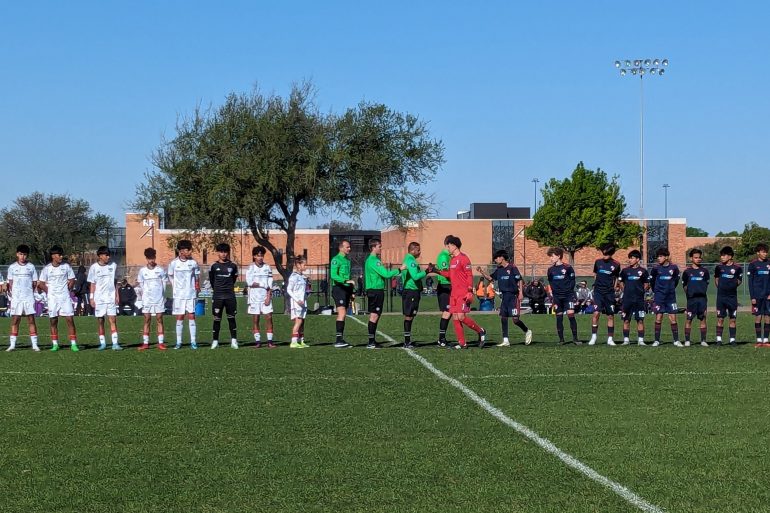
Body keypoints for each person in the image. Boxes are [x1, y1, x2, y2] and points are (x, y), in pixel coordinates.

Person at [431, 235, 486, 349]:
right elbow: (449, 275)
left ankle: (480, 331)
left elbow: (469, 275)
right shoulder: (452, 260)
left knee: (461, 316)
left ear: (454, 245)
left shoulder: (464, 258)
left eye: (449, 246)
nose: (448, 248)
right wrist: (436, 271)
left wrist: (469, 290)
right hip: (454, 293)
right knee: (455, 317)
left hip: (463, 292)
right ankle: (462, 343)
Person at [476, 249, 533, 346]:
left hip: (513, 296)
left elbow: (519, 279)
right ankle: (505, 340)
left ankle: (527, 331)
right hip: (505, 297)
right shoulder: (499, 270)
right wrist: (481, 271)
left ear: (502, 258)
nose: (495, 260)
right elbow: (490, 278)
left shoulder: (512, 267)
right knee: (503, 318)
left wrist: (520, 293)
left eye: (496, 258)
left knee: (515, 320)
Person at [38, 245, 79, 352]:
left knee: (69, 319)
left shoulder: (66, 266)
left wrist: (68, 288)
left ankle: (73, 344)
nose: (61, 256)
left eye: (61, 254)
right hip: (53, 298)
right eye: (59, 255)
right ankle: (55, 344)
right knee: (53, 320)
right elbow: (41, 283)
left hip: (64, 297)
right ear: (53, 256)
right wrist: (49, 292)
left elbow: (72, 279)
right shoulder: (47, 269)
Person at [363, 238, 400, 349]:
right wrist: (399, 270)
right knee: (374, 315)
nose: (381, 249)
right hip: (375, 290)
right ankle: (371, 342)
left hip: (374, 290)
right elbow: (386, 274)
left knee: (376, 315)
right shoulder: (374, 260)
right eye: (379, 246)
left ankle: (372, 340)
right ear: (373, 248)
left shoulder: (370, 260)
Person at [6, 244, 40, 352]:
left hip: (28, 297)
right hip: (17, 298)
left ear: (27, 255)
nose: (22, 257)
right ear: (17, 254)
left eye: (25, 255)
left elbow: (34, 282)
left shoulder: (31, 267)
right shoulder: (12, 267)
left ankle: (34, 344)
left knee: (31, 319)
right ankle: (12, 345)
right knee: (15, 320)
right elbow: (10, 283)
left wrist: (29, 292)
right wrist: (14, 294)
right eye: (21, 254)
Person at [88, 246, 122, 350]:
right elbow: (92, 284)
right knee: (100, 320)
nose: (108, 257)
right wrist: (91, 298)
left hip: (111, 297)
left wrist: (117, 294)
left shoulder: (114, 265)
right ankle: (103, 343)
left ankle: (115, 343)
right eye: (106, 255)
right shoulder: (94, 267)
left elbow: (115, 282)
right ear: (100, 256)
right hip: (99, 299)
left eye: (109, 255)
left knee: (112, 319)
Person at [168, 239, 201, 349]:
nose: (190, 252)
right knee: (180, 317)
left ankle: (193, 341)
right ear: (181, 251)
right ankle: (179, 342)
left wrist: (196, 286)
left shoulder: (193, 263)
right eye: (188, 250)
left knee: (191, 316)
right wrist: (175, 287)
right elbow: (170, 276)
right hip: (178, 295)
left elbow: (196, 276)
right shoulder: (173, 263)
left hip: (190, 294)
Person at [546, 248, 580, 345]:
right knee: (559, 317)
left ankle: (575, 338)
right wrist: (554, 292)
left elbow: (572, 281)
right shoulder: (550, 270)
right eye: (550, 256)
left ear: (558, 256)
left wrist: (568, 290)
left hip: (568, 296)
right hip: (557, 297)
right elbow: (550, 281)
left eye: (552, 256)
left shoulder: (568, 267)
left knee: (571, 315)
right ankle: (561, 340)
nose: (551, 258)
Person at [588, 244, 621, 346]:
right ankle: (593, 337)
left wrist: (614, 287)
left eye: (606, 254)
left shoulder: (616, 264)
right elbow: (595, 274)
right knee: (596, 313)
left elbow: (616, 278)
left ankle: (610, 339)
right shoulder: (598, 262)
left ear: (611, 254)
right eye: (603, 253)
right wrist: (596, 285)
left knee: (610, 315)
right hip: (598, 292)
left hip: (609, 293)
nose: (604, 256)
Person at [136, 247, 168, 351]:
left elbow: (164, 283)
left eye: (153, 258)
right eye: (150, 258)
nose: (152, 260)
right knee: (147, 320)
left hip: (158, 299)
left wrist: (162, 296)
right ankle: (145, 343)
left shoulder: (160, 270)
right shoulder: (142, 271)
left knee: (159, 319)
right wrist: (144, 296)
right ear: (146, 258)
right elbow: (141, 284)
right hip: (147, 300)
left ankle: (161, 343)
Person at [649, 247, 681, 347]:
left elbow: (676, 280)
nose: (659, 258)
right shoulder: (655, 268)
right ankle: (656, 340)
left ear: (666, 257)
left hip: (671, 297)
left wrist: (670, 289)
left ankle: (676, 340)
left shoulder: (674, 268)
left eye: (661, 256)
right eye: (658, 256)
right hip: (659, 297)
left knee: (673, 318)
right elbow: (652, 282)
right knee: (658, 318)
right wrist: (657, 291)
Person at [209, 243, 239, 349]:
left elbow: (234, 280)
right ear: (218, 253)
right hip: (218, 296)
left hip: (230, 296)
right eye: (221, 252)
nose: (223, 254)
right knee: (216, 319)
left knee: (231, 318)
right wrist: (218, 290)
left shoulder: (233, 266)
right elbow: (212, 281)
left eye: (225, 252)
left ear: (228, 253)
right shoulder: (213, 266)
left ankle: (234, 341)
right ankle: (215, 341)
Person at [618, 249, 649, 345]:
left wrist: (641, 292)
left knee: (640, 320)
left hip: (639, 299)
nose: (630, 260)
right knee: (626, 319)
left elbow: (647, 284)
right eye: (629, 258)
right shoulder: (625, 271)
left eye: (632, 258)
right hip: (627, 299)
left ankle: (641, 340)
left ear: (637, 259)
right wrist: (624, 290)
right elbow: (620, 281)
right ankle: (626, 340)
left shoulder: (643, 271)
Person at [246, 246, 275, 348]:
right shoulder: (250, 267)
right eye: (258, 256)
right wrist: (261, 284)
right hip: (254, 298)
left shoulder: (267, 267)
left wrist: (268, 297)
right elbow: (249, 283)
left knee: (269, 318)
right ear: (254, 256)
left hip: (265, 297)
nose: (260, 257)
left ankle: (270, 341)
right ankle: (258, 341)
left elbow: (270, 284)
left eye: (262, 255)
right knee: (256, 319)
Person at [331, 240, 356, 348]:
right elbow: (333, 275)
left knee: (344, 313)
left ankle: (340, 339)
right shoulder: (336, 260)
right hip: (339, 288)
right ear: (341, 248)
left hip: (346, 289)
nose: (349, 249)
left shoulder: (347, 261)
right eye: (347, 247)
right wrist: (345, 281)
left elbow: (349, 278)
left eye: (349, 247)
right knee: (341, 313)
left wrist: (352, 292)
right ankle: (338, 340)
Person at [714, 246, 742, 346]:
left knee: (732, 318)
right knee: (720, 318)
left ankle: (732, 340)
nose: (722, 257)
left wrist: (731, 286)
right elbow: (716, 279)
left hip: (732, 297)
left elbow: (739, 281)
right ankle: (719, 340)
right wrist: (721, 287)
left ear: (730, 256)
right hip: (721, 297)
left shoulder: (738, 268)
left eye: (724, 255)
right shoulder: (719, 267)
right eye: (721, 255)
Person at [682, 248, 710, 347]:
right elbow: (684, 286)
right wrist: (690, 294)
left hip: (702, 299)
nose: (698, 259)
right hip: (691, 299)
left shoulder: (705, 271)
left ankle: (703, 340)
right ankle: (687, 340)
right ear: (691, 259)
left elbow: (706, 283)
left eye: (699, 257)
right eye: (696, 257)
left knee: (703, 319)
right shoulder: (687, 272)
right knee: (689, 319)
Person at [401, 242, 427, 349]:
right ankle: (407, 341)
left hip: (413, 291)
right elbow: (415, 276)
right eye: (418, 250)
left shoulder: (411, 260)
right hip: (411, 291)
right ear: (412, 250)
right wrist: (427, 272)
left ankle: (408, 340)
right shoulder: (410, 260)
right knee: (409, 315)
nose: (419, 252)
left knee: (411, 315)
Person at [747, 243, 770, 347]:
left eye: (766, 252)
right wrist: (752, 297)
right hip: (757, 296)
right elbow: (750, 283)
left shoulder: (769, 263)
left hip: (768, 296)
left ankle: (765, 340)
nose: (765, 254)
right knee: (758, 317)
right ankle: (758, 340)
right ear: (758, 253)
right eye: (763, 252)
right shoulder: (753, 265)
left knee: (768, 317)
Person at [434, 236, 454, 346]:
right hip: (445, 286)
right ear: (448, 245)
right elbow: (445, 272)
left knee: (450, 312)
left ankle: (442, 338)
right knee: (447, 312)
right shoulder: (443, 257)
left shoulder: (449, 256)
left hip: (449, 286)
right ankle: (441, 339)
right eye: (453, 245)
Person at [287, 256, 310, 348]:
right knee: (298, 321)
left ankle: (301, 340)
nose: (306, 266)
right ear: (298, 265)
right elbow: (289, 290)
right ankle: (293, 341)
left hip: (303, 303)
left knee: (302, 322)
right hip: (297, 303)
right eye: (304, 264)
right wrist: (297, 300)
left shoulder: (302, 277)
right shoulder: (294, 276)